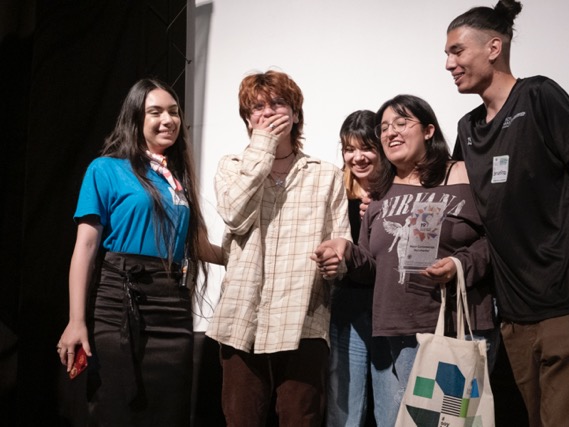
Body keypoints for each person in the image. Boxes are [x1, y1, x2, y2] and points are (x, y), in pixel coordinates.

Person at [444, 1, 569, 426]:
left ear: (493, 47)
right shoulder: (468, 129)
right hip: (514, 315)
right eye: (447, 54)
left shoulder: (538, 94)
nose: (448, 64)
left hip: (565, 301)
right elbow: (447, 195)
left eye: (456, 51)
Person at [313, 95, 497, 427]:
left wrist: (460, 265)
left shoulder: (463, 173)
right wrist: (346, 250)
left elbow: (496, 240)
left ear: (428, 130)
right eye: (384, 127)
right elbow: (372, 266)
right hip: (392, 329)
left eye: (401, 123)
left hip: (453, 329)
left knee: (451, 423)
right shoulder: (382, 191)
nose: (391, 132)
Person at [56, 78, 223, 427]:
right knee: (120, 407)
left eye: (174, 112)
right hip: (122, 301)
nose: (168, 120)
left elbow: (197, 245)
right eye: (156, 112)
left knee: (169, 411)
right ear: (136, 118)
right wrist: (76, 321)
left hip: (172, 304)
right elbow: (85, 247)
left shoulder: (177, 178)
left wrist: (246, 256)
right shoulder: (105, 169)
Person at [206, 70, 351, 427]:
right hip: (243, 317)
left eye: (278, 103)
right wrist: (263, 148)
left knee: (300, 418)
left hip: (302, 318)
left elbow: (342, 242)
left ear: (296, 114)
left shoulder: (326, 174)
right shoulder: (233, 167)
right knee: (241, 419)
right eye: (257, 107)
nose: (268, 113)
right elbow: (235, 216)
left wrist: (337, 260)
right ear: (247, 119)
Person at [325, 110, 381, 427]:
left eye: (366, 147)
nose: (357, 157)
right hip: (347, 306)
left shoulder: (400, 191)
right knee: (344, 408)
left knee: (393, 406)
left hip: (391, 307)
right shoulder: (336, 192)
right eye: (349, 148)